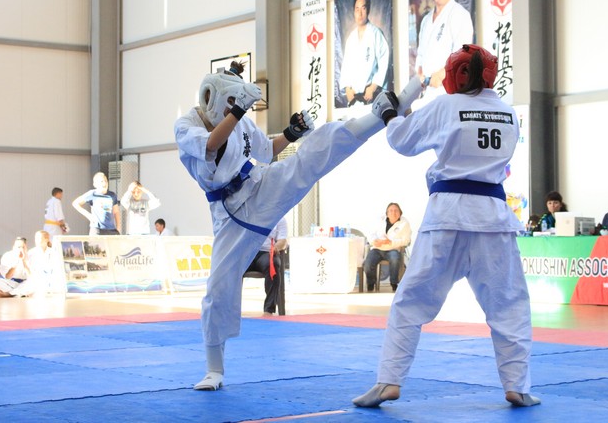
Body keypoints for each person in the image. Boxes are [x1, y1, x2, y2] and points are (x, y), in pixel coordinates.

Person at [175, 60, 423, 391]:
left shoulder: (240, 118)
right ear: (214, 98)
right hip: (229, 213)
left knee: (312, 155)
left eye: (237, 103)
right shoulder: (186, 125)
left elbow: (267, 150)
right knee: (219, 288)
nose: (235, 108)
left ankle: (379, 115)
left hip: (258, 185)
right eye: (231, 103)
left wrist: (292, 132)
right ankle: (214, 370)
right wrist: (238, 110)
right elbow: (210, 145)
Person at [353, 44, 540, 409]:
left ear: (457, 75)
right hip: (492, 219)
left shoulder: (447, 106)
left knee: (410, 301)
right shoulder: (509, 114)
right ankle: (517, 386)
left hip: (447, 218)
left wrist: (391, 113)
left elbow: (403, 140)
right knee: (509, 305)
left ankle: (389, 381)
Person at [414, 0, 474, 99]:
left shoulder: (460, 14)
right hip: (426, 92)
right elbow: (421, 54)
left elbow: (462, 56)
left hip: (448, 91)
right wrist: (419, 73)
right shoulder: (426, 20)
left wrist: (442, 74)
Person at [338, 0, 390, 107]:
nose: (360, 13)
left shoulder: (376, 33)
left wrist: (373, 87)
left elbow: (384, 62)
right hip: (353, 98)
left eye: (363, 8)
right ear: (354, 11)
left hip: (371, 95)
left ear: (368, 10)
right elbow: (346, 66)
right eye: (357, 9)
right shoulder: (351, 38)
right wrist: (347, 89)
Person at [362, 202, 412, 292]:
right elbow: (370, 233)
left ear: (400, 213)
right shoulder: (379, 220)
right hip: (377, 248)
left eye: (396, 210)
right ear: (387, 213)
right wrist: (374, 241)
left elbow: (406, 240)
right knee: (367, 264)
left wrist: (391, 242)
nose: (393, 212)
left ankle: (394, 283)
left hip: (393, 249)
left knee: (395, 259)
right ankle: (371, 282)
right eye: (391, 210)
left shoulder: (404, 223)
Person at [244, 216, 288, 315]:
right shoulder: (247, 214)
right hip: (247, 253)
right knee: (232, 267)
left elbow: (282, 241)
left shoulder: (280, 218)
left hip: (266, 253)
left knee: (273, 265)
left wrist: (276, 247)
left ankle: (269, 310)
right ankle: (230, 309)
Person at [28, 230, 64, 295]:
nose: (36, 240)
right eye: (36, 238)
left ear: (46, 239)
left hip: (52, 282)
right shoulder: (31, 253)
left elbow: (57, 268)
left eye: (39, 238)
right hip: (36, 282)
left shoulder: (54, 252)